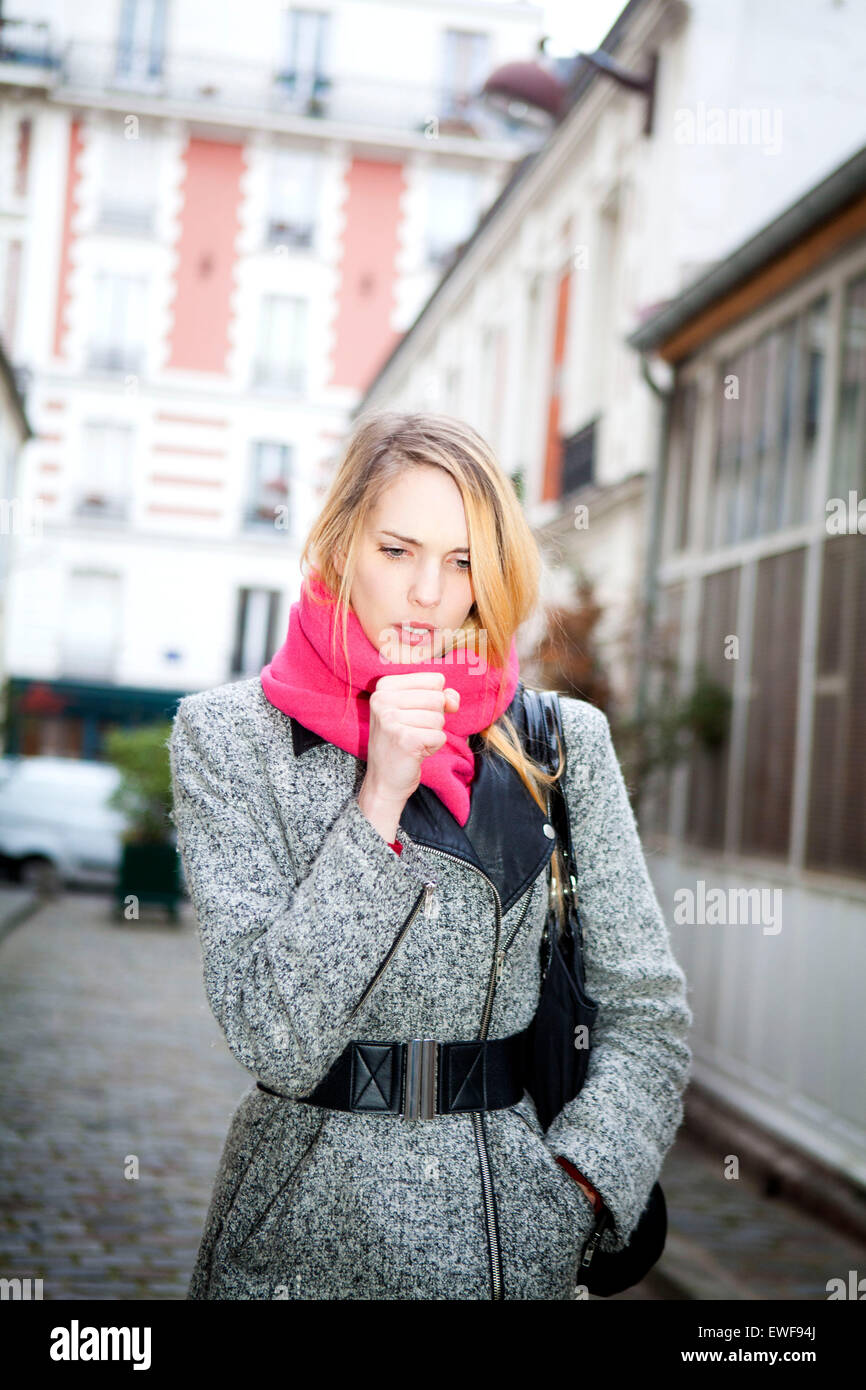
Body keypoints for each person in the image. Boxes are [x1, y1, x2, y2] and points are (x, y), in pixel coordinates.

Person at [168, 410, 693, 1300]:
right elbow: (272, 1037)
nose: (427, 595)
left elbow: (647, 1011)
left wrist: (575, 1191)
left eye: (460, 562)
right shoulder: (228, 738)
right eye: (397, 551)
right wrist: (378, 799)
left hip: (503, 1237)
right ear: (340, 546)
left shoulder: (563, 743)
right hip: (298, 1230)